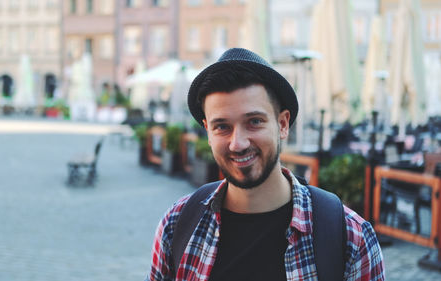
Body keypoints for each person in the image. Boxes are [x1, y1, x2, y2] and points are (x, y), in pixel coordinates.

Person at [146, 48, 385, 281]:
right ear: (208, 131)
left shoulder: (351, 238)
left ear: (282, 124)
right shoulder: (177, 224)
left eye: (254, 122)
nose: (237, 143)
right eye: (222, 127)